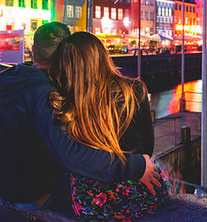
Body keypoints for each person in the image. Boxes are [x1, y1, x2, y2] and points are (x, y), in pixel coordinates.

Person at [0, 22, 160, 211]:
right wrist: (137, 165)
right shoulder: (45, 94)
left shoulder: (17, 79)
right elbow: (73, 155)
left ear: (32, 49)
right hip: (29, 195)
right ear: (67, 54)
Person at [49, 32, 172, 220]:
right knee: (165, 174)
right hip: (135, 187)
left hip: (91, 201)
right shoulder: (134, 90)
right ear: (103, 56)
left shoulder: (63, 102)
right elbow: (147, 147)